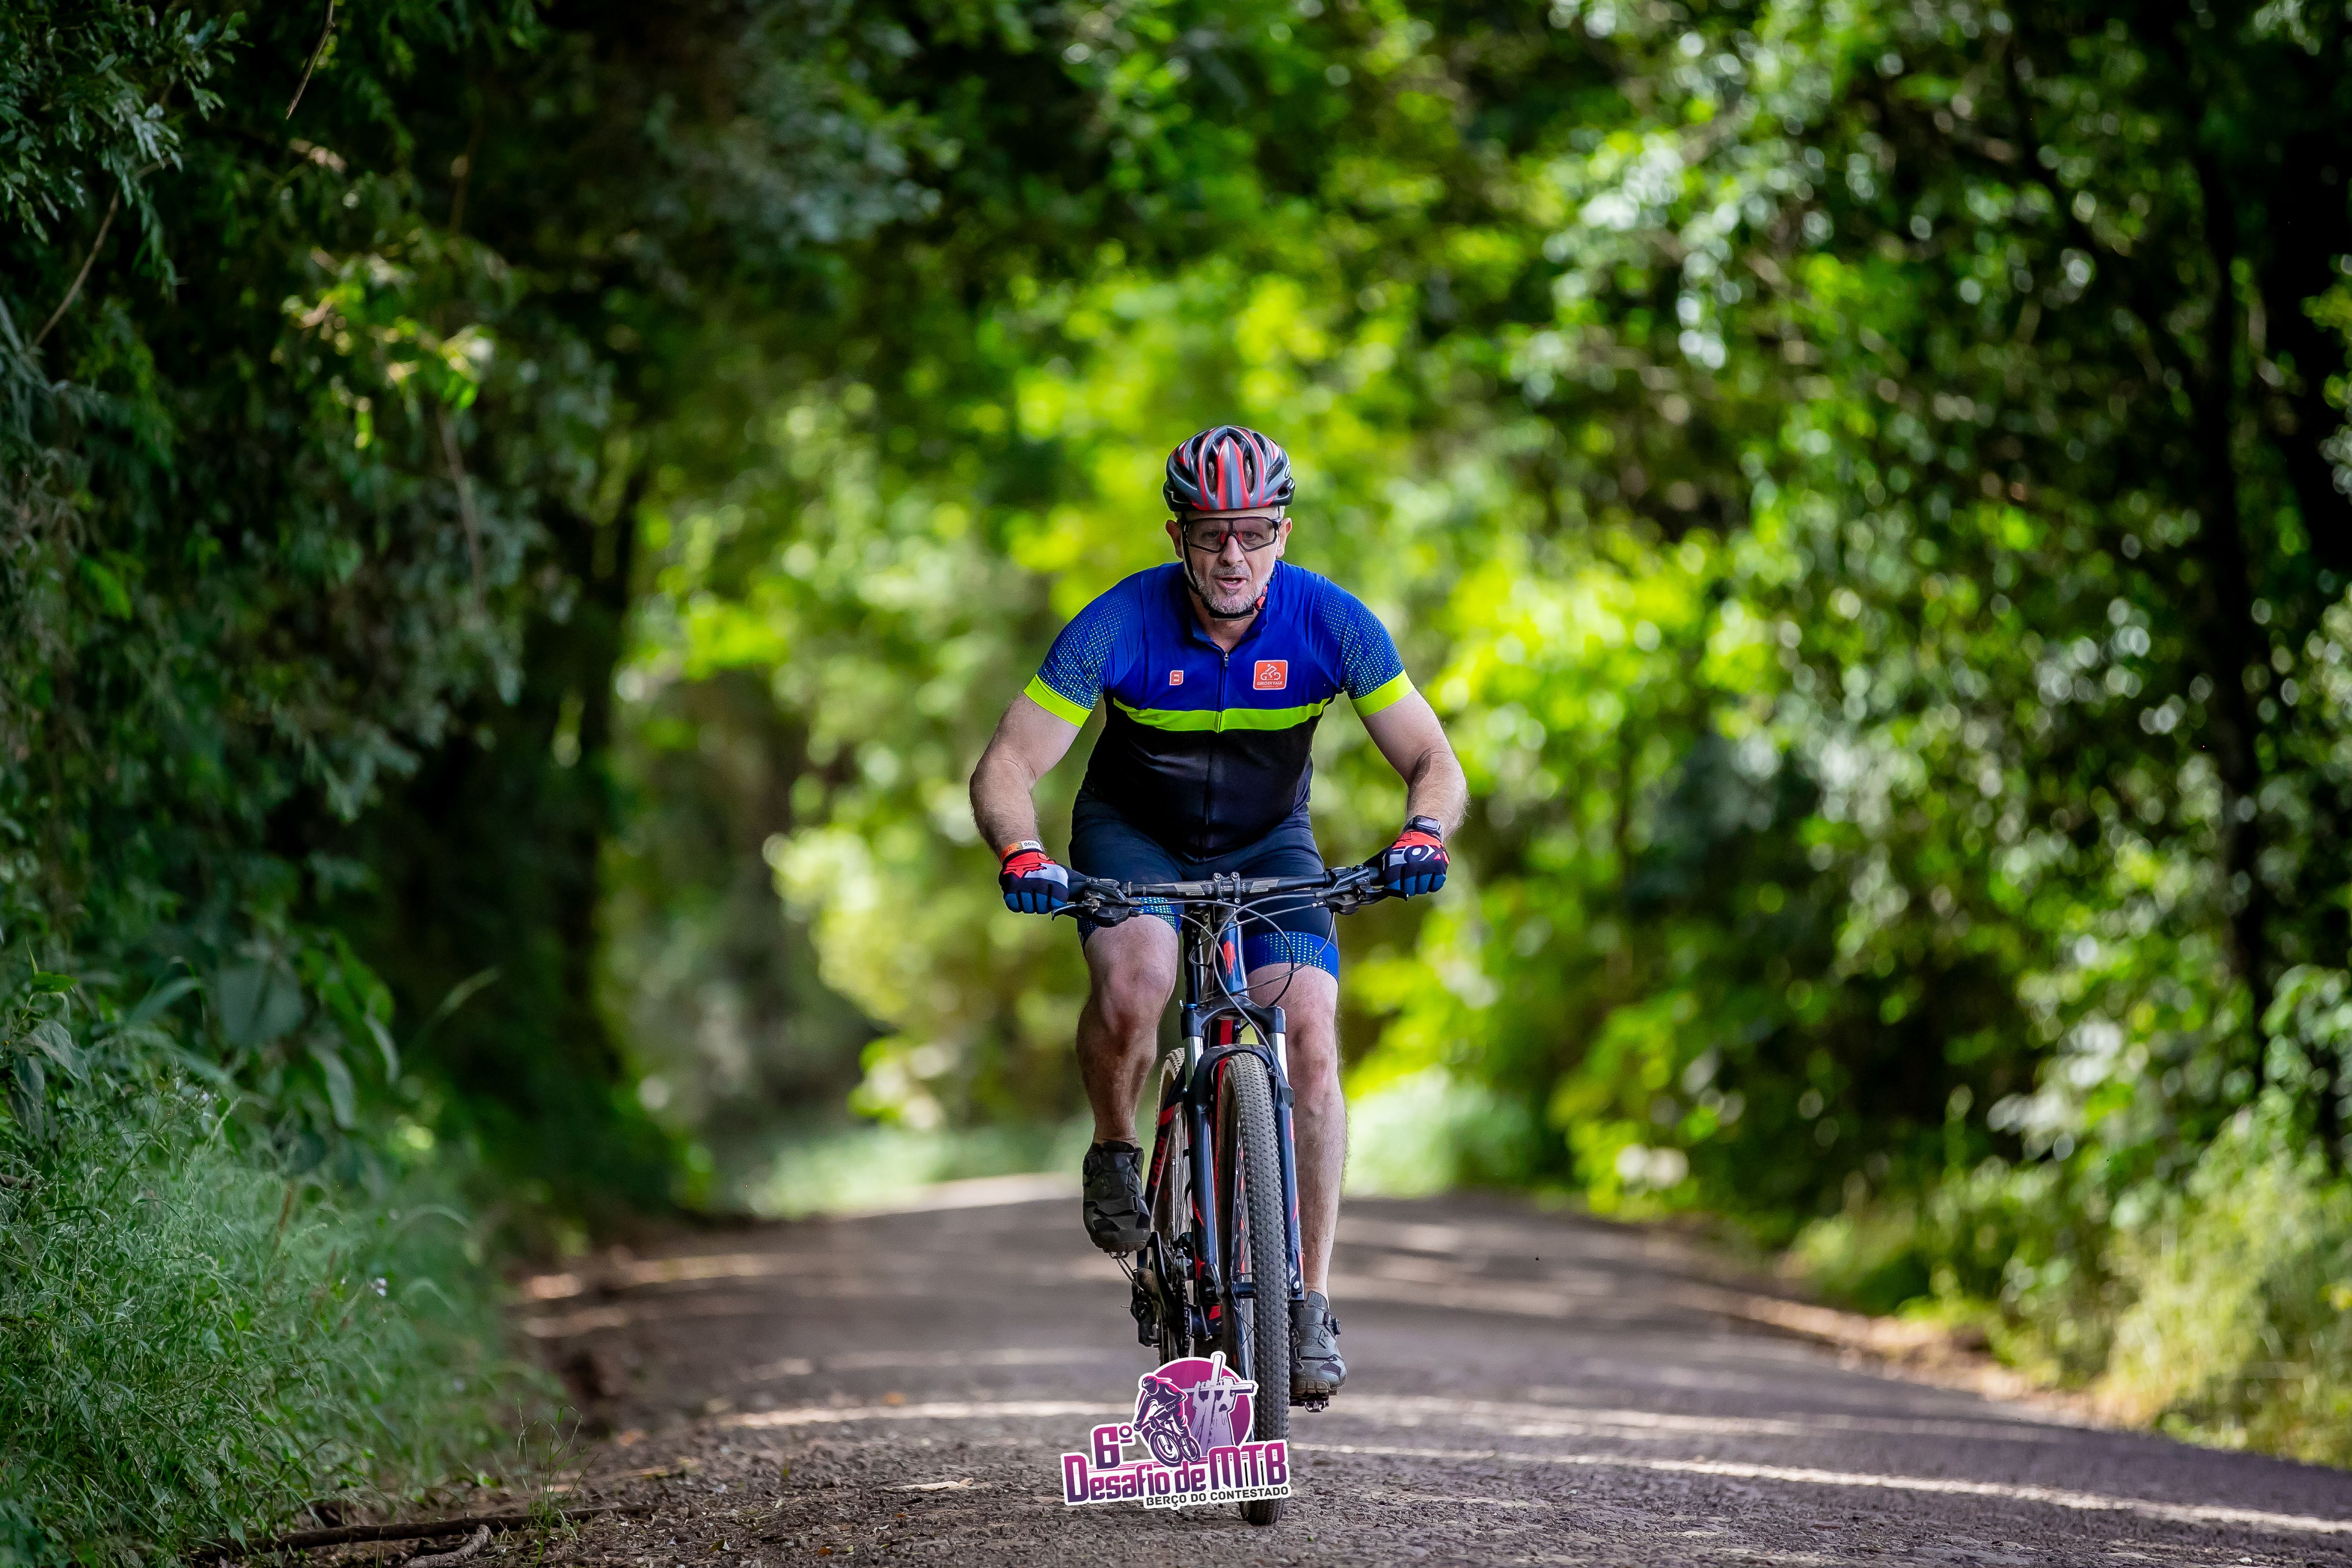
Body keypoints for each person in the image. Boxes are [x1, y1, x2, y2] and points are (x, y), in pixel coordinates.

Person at [968, 424, 1466, 1402]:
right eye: (1210, 534)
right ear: (1178, 537)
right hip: (1134, 837)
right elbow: (1007, 765)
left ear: (1283, 533)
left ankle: (1307, 1303)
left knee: (1310, 1032)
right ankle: (1116, 1148)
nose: (1232, 555)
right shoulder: (1118, 624)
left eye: (1252, 531)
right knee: (1140, 982)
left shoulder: (1333, 623)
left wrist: (1423, 832)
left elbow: (1433, 759)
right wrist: (1021, 851)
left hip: (1269, 843)